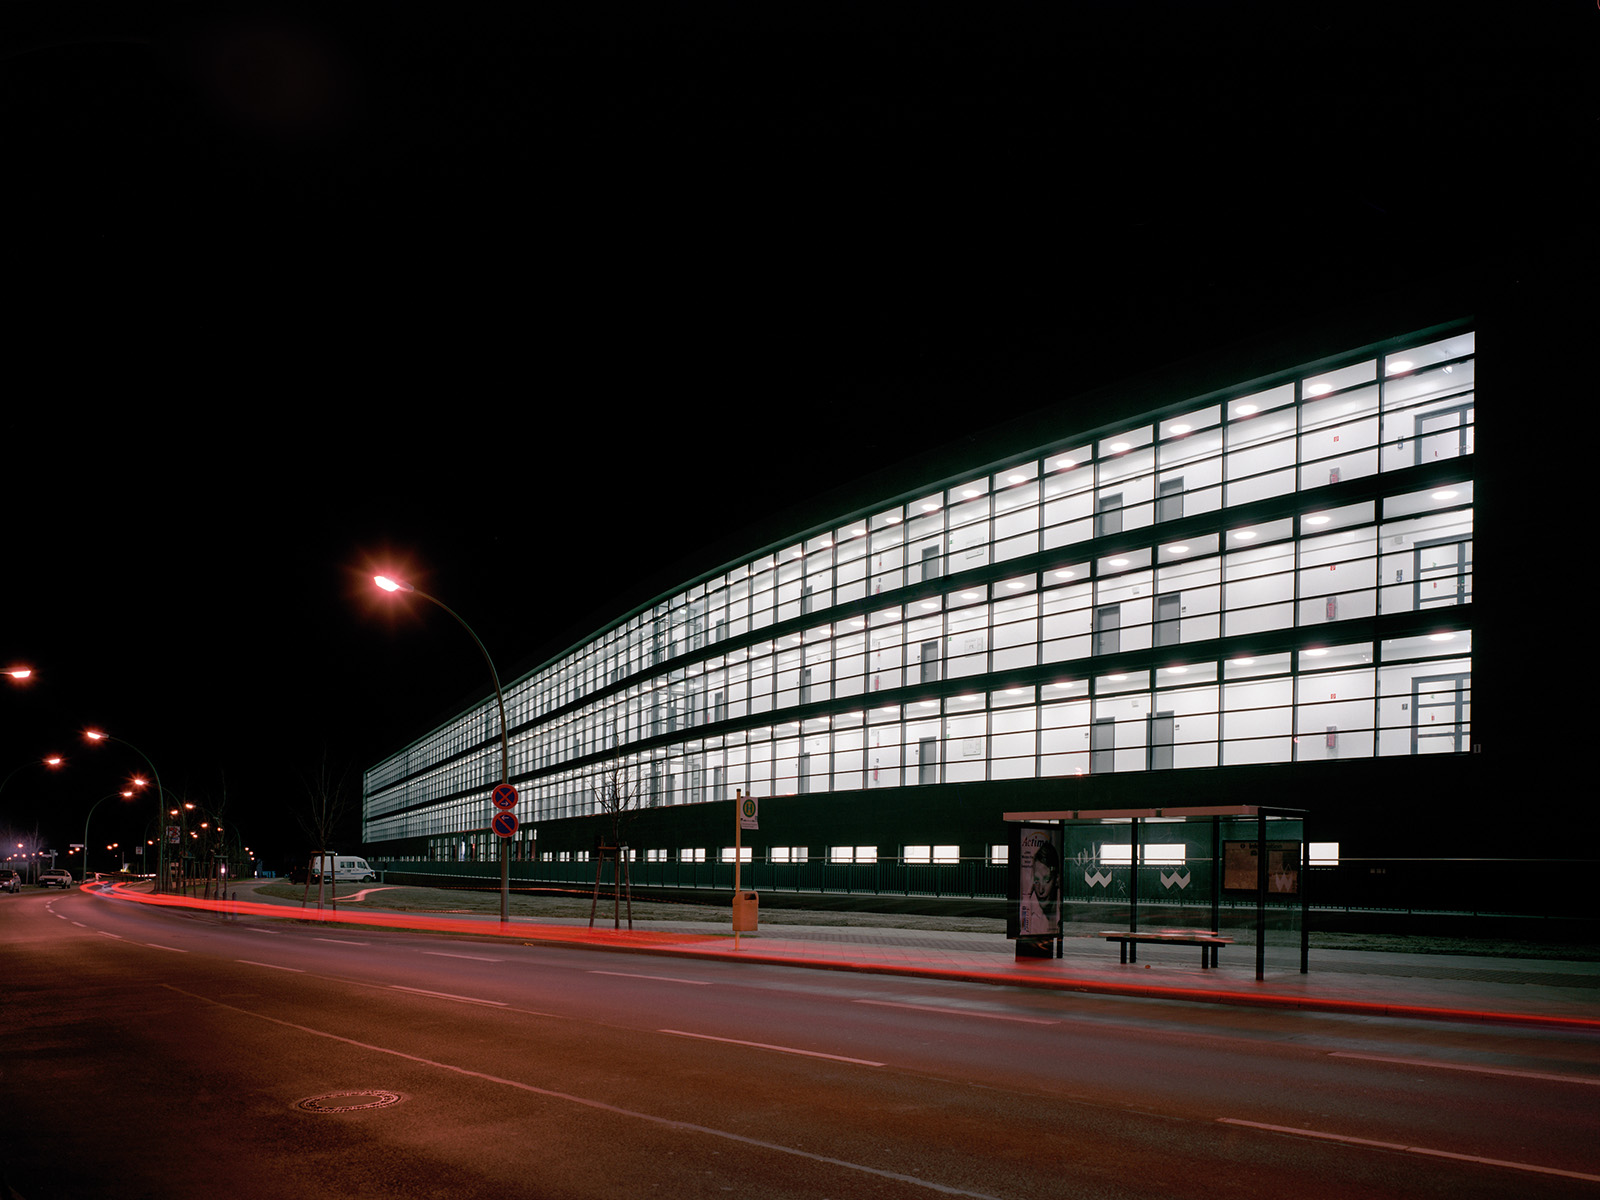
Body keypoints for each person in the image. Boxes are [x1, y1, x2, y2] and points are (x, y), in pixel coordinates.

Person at [1019, 836, 1061, 936]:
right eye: (1037, 880)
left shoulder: (1061, 906)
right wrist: (1026, 895)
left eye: (1046, 880)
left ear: (1056, 880)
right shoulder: (1032, 910)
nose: (1041, 890)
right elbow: (1024, 930)